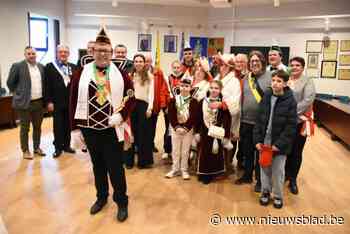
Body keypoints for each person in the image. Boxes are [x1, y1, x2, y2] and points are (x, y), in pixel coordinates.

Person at [69, 27, 135, 222]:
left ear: (111, 53)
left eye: (106, 51)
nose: (103, 54)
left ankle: (122, 202)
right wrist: (73, 128)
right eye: (99, 50)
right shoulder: (80, 73)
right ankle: (101, 197)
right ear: (92, 52)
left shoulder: (121, 74)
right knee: (97, 166)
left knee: (115, 168)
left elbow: (131, 97)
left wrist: (121, 115)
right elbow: (73, 99)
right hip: (90, 130)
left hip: (111, 130)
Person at [253, 70, 297, 209]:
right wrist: (257, 140)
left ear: (285, 83)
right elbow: (259, 119)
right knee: (264, 168)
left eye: (279, 81)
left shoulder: (290, 100)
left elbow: (291, 126)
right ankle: (265, 192)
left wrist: (279, 144)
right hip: (264, 140)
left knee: (278, 171)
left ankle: (277, 195)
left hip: (279, 144)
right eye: (273, 80)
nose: (275, 83)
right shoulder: (266, 96)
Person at [235, 50, 271, 193]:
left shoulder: (270, 77)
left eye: (257, 61)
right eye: (252, 61)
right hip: (245, 121)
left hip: (261, 123)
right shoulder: (246, 78)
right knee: (247, 151)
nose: (254, 63)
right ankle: (247, 176)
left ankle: (260, 180)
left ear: (263, 62)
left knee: (260, 152)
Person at [7, 46, 46, 159]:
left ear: (36, 54)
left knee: (37, 127)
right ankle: (25, 150)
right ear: (25, 55)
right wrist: (18, 93)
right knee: (25, 128)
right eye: (29, 54)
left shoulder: (41, 67)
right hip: (24, 103)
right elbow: (10, 82)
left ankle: (36, 148)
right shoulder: (18, 66)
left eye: (33, 53)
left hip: (38, 102)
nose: (31, 55)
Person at [285, 56, 316, 195]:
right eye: (292, 65)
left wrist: (292, 111)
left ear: (302, 67)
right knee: (285, 150)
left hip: (299, 121)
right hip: (285, 122)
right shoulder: (286, 79)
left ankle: (293, 179)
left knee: (296, 152)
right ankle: (284, 174)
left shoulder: (307, 81)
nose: (294, 67)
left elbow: (308, 99)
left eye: (297, 65)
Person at [195, 80, 232, 184]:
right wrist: (196, 132)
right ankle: (204, 174)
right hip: (205, 132)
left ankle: (215, 173)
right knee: (205, 153)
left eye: (216, 88)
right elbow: (197, 118)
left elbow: (227, 120)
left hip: (218, 132)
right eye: (211, 88)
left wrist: (226, 135)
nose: (213, 90)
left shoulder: (223, 105)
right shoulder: (203, 102)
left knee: (215, 153)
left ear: (220, 90)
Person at [45, 45, 76, 158]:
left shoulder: (73, 67)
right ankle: (58, 148)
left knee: (68, 125)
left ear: (68, 54)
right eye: (60, 52)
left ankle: (67, 145)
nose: (63, 54)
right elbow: (47, 85)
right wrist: (48, 101)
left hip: (69, 102)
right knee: (58, 126)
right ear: (57, 53)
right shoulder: (50, 67)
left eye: (65, 52)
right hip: (56, 102)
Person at [214, 53, 241, 176]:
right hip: (214, 115)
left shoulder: (234, 81)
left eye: (225, 65)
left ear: (230, 67)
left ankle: (225, 167)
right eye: (221, 65)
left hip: (227, 116)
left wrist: (222, 105)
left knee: (225, 142)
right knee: (214, 140)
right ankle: (215, 166)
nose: (222, 67)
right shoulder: (217, 78)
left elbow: (236, 101)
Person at [166, 76, 198, 180]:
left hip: (187, 130)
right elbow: (170, 115)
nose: (184, 88)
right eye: (182, 86)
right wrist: (176, 127)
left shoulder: (194, 101)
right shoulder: (174, 100)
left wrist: (186, 128)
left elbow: (193, 117)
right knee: (175, 150)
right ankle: (175, 169)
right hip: (176, 129)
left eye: (187, 86)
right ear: (179, 87)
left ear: (190, 88)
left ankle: (184, 169)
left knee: (185, 150)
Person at [130, 54, 154, 169]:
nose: (138, 63)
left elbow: (151, 93)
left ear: (144, 63)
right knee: (131, 133)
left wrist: (150, 108)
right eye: (136, 61)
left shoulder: (149, 76)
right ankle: (129, 160)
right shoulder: (130, 75)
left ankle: (143, 161)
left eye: (140, 61)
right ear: (133, 63)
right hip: (131, 105)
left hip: (143, 106)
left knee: (143, 134)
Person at [144, 53, 170, 155]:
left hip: (154, 104)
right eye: (145, 61)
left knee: (152, 126)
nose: (147, 63)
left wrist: (162, 104)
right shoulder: (139, 71)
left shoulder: (158, 72)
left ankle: (151, 144)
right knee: (142, 127)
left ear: (151, 62)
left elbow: (163, 88)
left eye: (149, 61)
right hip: (142, 104)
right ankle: (141, 145)